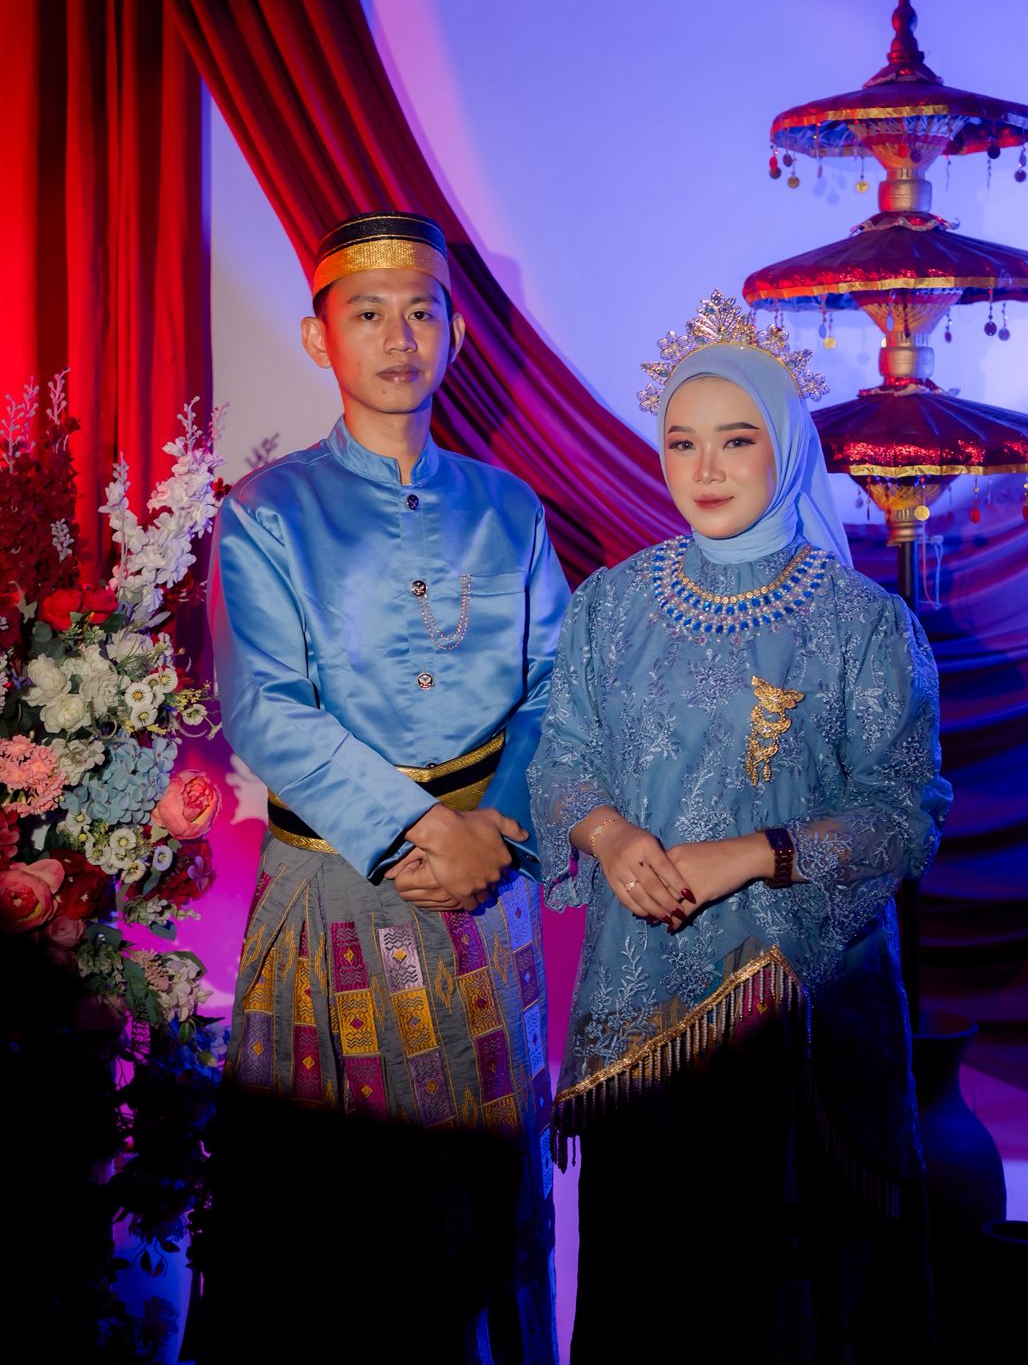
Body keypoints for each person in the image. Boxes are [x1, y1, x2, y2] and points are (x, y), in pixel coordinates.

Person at [528, 294, 951, 1364]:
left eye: (736, 440)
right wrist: (609, 835)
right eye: (682, 442)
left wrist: (756, 854)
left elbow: (904, 814)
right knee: (649, 1296)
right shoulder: (611, 605)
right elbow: (561, 757)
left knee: (784, 1310)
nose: (705, 469)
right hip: (642, 1017)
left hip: (798, 1019)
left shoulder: (861, 623)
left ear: (785, 448)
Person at [206, 212, 569, 1364]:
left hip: (488, 892)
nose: (398, 338)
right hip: (337, 889)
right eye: (367, 314)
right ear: (321, 339)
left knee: (484, 1209)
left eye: (421, 312)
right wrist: (421, 829)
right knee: (334, 1223)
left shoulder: (509, 509)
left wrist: (497, 828)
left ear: (456, 334)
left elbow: (558, 687)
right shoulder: (265, 512)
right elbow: (266, 708)